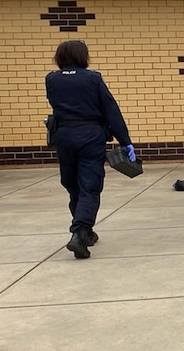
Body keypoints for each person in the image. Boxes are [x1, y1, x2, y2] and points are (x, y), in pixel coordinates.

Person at [46, 40, 135, 259]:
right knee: (90, 185)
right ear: (82, 56)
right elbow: (110, 109)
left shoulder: (52, 79)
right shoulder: (93, 78)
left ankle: (85, 231)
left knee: (72, 183)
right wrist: (125, 141)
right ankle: (79, 232)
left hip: (64, 136)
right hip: (90, 136)